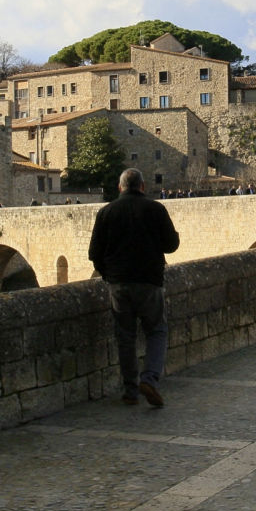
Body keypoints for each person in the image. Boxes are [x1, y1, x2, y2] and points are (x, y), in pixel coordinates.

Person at [88, 169, 180, 407]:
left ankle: (130, 390)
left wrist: (108, 274)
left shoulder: (106, 212)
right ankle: (149, 378)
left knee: (125, 337)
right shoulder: (156, 210)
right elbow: (171, 245)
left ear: (120, 188)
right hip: (149, 282)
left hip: (118, 284)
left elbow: (94, 254)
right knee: (157, 331)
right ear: (142, 185)